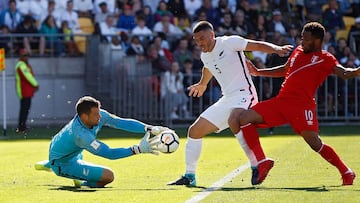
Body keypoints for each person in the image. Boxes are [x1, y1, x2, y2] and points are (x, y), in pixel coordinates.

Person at [168, 20, 293, 186]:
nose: (200, 43)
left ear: (212, 35)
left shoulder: (229, 42)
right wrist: (203, 84)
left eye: (203, 38)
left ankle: (256, 165)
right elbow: (208, 67)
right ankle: (190, 176)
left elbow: (255, 45)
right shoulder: (205, 55)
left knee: (234, 120)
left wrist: (276, 49)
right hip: (227, 98)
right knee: (194, 131)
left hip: (245, 94)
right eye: (197, 40)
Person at [236, 22, 358, 185]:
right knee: (243, 118)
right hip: (281, 102)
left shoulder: (326, 58)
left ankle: (346, 172)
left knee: (315, 144)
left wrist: (356, 71)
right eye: (301, 38)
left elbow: (343, 73)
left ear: (317, 41)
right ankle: (262, 161)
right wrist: (259, 72)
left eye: (306, 39)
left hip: (302, 106)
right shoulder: (298, 51)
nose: (302, 42)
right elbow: (285, 69)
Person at [34, 96, 170, 188]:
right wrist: (137, 149)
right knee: (108, 176)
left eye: (99, 112)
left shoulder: (97, 115)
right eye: (96, 115)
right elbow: (108, 153)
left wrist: (148, 128)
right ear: (84, 116)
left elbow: (120, 122)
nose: (100, 117)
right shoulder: (81, 136)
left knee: (71, 153)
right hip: (63, 163)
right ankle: (76, 179)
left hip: (66, 151)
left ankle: (49, 163)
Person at [15, 48, 39, 134]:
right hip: (24, 91)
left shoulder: (24, 64)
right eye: (24, 55)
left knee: (25, 110)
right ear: (21, 56)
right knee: (24, 110)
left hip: (27, 91)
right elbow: (28, 76)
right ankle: (21, 127)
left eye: (27, 55)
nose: (27, 57)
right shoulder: (21, 65)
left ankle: (22, 126)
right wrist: (35, 84)